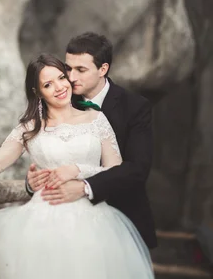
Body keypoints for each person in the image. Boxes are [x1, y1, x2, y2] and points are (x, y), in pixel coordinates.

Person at [0, 54, 154, 279]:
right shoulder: (29, 128)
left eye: (61, 78)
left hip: (93, 220)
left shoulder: (97, 119)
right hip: (41, 221)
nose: (59, 87)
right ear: (37, 92)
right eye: (48, 84)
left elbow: (115, 170)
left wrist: (78, 170)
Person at [27, 32, 157, 249]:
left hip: (120, 220)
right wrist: (33, 182)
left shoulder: (135, 107)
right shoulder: (59, 98)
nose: (71, 77)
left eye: (81, 70)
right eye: (68, 68)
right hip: (58, 224)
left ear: (103, 69)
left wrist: (85, 187)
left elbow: (137, 169)